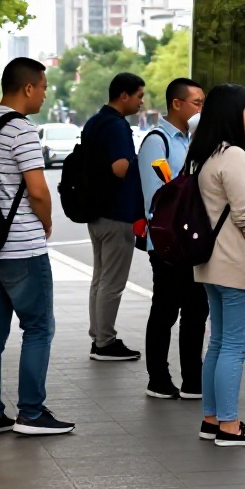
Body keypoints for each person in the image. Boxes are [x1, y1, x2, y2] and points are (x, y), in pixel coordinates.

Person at [0, 58, 73, 436]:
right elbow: (37, 190)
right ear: (28, 87)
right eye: (44, 86)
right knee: (37, 328)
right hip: (21, 248)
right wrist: (46, 222)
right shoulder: (21, 130)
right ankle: (31, 413)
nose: (46, 94)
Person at [191, 84, 245, 446]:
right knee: (234, 348)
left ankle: (211, 419)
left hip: (211, 265)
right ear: (232, 114)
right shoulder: (234, 157)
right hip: (235, 264)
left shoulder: (205, 156)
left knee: (217, 344)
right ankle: (229, 425)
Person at [138, 77, 207, 399]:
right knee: (165, 310)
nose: (201, 109)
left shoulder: (192, 140)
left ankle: (193, 377)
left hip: (191, 243)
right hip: (167, 243)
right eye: (197, 103)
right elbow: (158, 198)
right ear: (176, 104)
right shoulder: (157, 140)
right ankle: (158, 377)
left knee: (196, 310)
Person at [84, 72, 146, 361]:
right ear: (124, 95)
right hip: (117, 212)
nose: (141, 102)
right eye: (139, 96)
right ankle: (106, 342)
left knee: (100, 278)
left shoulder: (94, 122)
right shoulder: (117, 126)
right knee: (113, 281)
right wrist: (142, 164)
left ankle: (98, 336)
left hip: (96, 211)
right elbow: (120, 167)